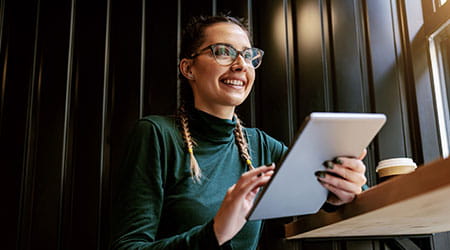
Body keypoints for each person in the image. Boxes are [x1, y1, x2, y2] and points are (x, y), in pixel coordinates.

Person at [110, 14, 367, 249]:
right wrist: (214, 233)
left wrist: (341, 190)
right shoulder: (156, 134)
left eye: (248, 55)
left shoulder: (261, 146)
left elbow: (333, 194)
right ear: (188, 68)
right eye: (223, 52)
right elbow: (127, 247)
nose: (240, 64)